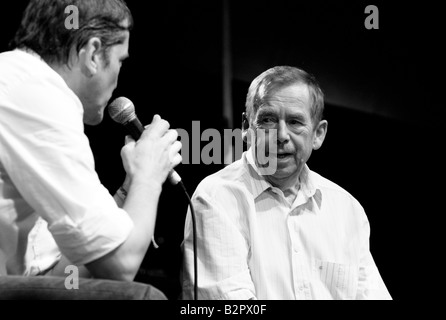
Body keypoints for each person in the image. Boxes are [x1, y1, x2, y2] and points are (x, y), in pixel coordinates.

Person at [0, 0, 181, 299]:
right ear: (94, 53)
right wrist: (150, 174)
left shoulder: (24, 84)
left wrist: (130, 187)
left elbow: (66, 272)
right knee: (144, 297)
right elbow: (121, 265)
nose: (119, 76)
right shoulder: (37, 95)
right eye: (121, 60)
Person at [181, 66, 391, 300]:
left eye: (294, 121)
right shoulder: (216, 198)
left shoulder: (347, 210)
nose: (281, 135)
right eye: (268, 120)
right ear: (245, 127)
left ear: (318, 134)